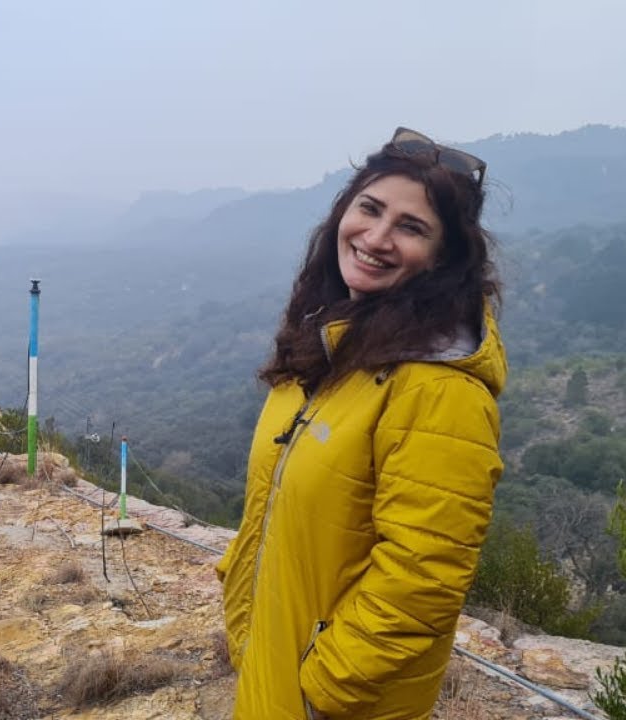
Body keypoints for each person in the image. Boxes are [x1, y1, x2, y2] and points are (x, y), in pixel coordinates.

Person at [214, 127, 505, 720]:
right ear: (342, 211)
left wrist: (325, 689)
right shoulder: (328, 347)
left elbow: (422, 579)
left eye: (411, 226)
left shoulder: (439, 388)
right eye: (369, 209)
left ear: (444, 258)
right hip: (273, 664)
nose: (376, 237)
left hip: (336, 701)